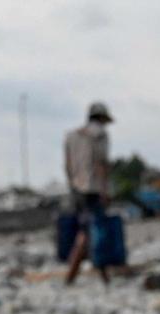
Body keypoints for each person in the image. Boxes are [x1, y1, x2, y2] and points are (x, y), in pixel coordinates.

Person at [64, 101, 113, 285]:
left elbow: (68, 165)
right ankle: (71, 276)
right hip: (93, 189)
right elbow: (101, 165)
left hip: (77, 190)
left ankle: (103, 276)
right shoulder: (100, 135)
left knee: (89, 231)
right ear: (101, 118)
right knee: (90, 232)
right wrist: (105, 191)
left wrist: (73, 185)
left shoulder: (71, 136)